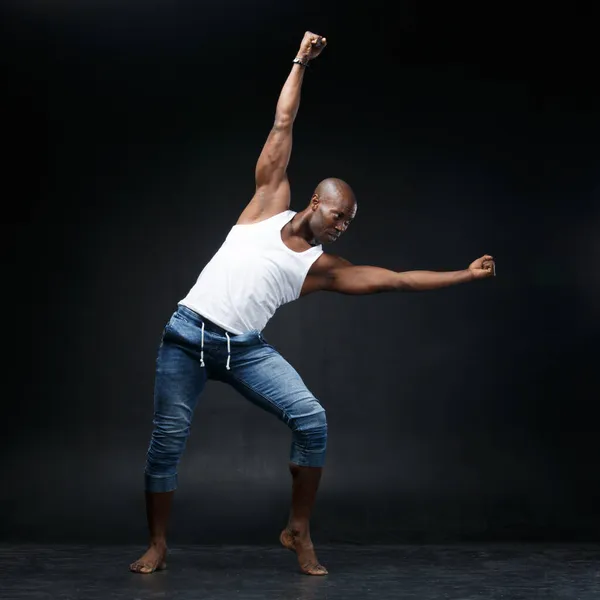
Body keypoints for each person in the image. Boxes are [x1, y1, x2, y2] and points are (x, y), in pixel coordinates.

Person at [129, 31, 496, 577]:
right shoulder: (266, 203)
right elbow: (283, 124)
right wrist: (301, 60)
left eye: (349, 222)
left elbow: (396, 280)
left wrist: (464, 275)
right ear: (315, 202)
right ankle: (158, 544)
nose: (342, 226)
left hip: (244, 350)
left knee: (313, 419)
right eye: (337, 214)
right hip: (186, 337)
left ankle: (297, 529)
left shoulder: (321, 269)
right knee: (166, 441)